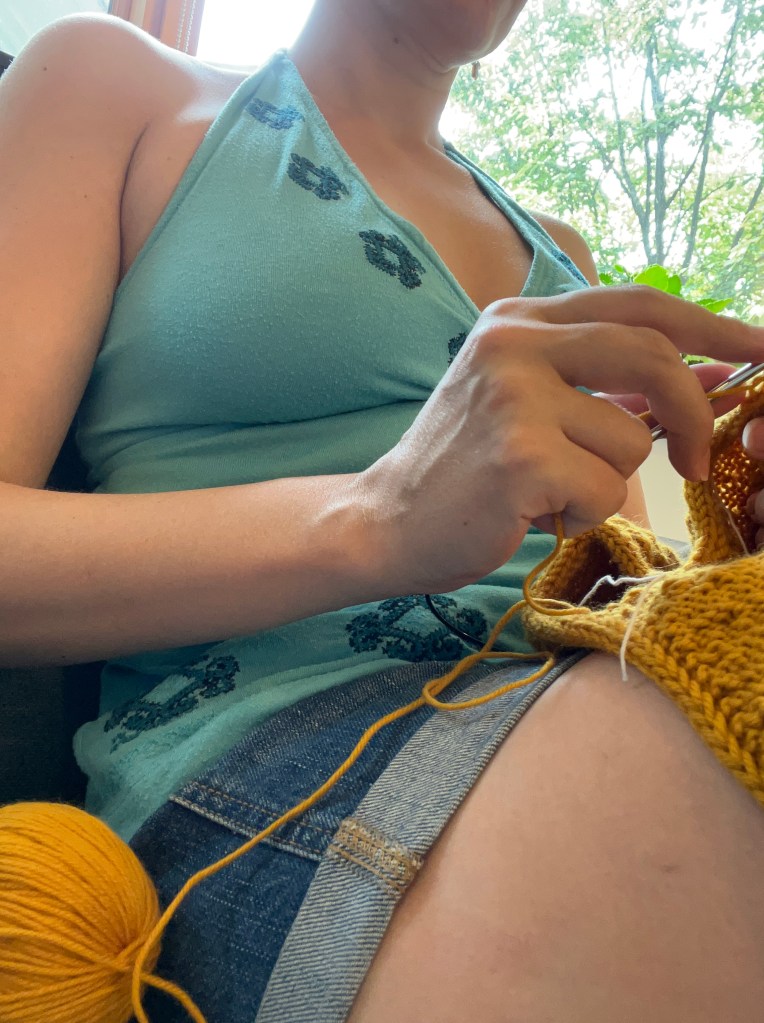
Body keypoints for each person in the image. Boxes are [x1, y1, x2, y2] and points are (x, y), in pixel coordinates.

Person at [1, 1, 763, 1019]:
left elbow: (606, 582)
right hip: (277, 753)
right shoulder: (113, 81)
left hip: (570, 699)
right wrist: (375, 515)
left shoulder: (565, 258)